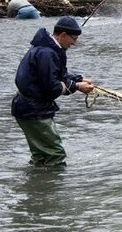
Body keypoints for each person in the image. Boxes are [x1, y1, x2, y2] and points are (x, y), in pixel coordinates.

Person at [12, 16, 96, 166]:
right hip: (33, 109)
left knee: (41, 154)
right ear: (63, 35)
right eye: (73, 39)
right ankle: (54, 186)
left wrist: (78, 79)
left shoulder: (50, 49)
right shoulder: (47, 53)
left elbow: (59, 75)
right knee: (55, 154)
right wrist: (77, 87)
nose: (74, 43)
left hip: (28, 107)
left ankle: (37, 183)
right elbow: (51, 86)